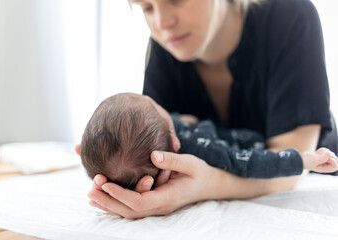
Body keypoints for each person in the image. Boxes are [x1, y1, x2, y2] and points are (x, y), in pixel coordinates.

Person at [80, 0, 338, 219]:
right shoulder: (165, 48)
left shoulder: (289, 15)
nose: (162, 23)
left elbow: (294, 168)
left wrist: (206, 186)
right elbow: (148, 147)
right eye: (147, 7)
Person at [80, 93, 338, 191]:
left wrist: (90, 158)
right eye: (159, 108)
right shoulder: (205, 149)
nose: (166, 110)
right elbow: (253, 163)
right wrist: (304, 159)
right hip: (312, 147)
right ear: (175, 145)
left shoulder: (152, 141)